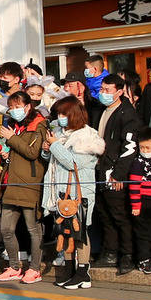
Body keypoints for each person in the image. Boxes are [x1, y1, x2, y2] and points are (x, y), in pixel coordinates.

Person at [42, 95, 103, 289]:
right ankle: (69, 268)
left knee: (80, 231)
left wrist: (54, 145)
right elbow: (53, 160)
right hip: (61, 192)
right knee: (65, 231)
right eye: (58, 113)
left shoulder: (87, 137)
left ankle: (83, 272)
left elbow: (72, 163)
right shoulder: (60, 133)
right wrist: (47, 148)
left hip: (80, 193)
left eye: (63, 114)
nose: (60, 117)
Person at [91, 71, 144, 273]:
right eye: (102, 89)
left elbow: (129, 147)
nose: (103, 93)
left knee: (119, 214)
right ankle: (110, 252)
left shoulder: (127, 114)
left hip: (115, 171)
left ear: (120, 91)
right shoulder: (101, 111)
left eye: (107, 90)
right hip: (100, 168)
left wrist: (119, 173)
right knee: (104, 213)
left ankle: (127, 254)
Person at [0, 90, 48, 283]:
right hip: (11, 182)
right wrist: (7, 152)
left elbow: (33, 152)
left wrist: (11, 138)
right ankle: (14, 266)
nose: (14, 110)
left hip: (29, 183)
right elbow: (18, 150)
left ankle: (34, 268)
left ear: (28, 106)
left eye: (18, 107)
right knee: (6, 229)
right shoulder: (12, 125)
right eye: (12, 107)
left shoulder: (39, 124)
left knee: (33, 228)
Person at [125, 127, 151, 275]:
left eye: (147, 147)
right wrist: (136, 205)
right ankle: (143, 259)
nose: (144, 150)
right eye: (141, 147)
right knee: (142, 232)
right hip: (142, 201)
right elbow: (134, 186)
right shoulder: (138, 162)